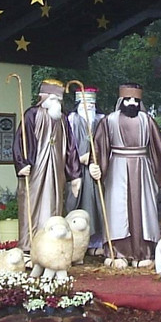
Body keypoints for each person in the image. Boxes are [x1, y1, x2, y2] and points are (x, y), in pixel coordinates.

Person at [88, 83, 161, 268]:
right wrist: (95, 166)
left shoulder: (147, 120)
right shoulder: (109, 121)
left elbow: (158, 148)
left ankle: (143, 252)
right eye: (128, 99)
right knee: (117, 209)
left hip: (143, 168)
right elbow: (99, 147)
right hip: (117, 168)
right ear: (121, 100)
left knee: (143, 208)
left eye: (136, 99)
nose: (132, 103)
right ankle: (116, 251)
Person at [13, 79, 82, 252]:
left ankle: (51, 246)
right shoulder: (31, 115)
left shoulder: (62, 119)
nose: (56, 102)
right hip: (36, 169)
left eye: (58, 99)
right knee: (32, 204)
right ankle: (29, 246)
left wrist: (74, 175)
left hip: (56, 170)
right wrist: (21, 163)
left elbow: (71, 148)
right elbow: (21, 141)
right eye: (52, 98)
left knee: (55, 204)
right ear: (43, 97)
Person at [64, 86, 104, 253]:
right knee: (80, 204)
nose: (89, 106)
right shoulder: (72, 120)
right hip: (77, 170)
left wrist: (98, 160)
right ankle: (78, 244)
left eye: (92, 103)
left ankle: (96, 243)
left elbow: (105, 145)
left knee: (98, 207)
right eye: (85, 103)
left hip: (96, 170)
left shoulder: (102, 120)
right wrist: (80, 159)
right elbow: (67, 146)